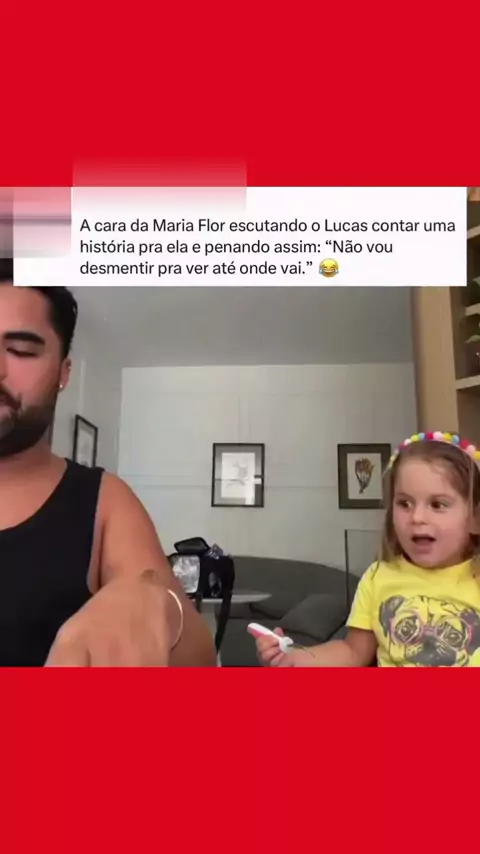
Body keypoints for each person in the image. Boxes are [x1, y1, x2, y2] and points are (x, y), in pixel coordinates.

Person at [0, 260, 216, 666]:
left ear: (63, 373)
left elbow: (199, 658)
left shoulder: (103, 500)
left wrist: (154, 605)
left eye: (21, 351)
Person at [251, 431, 480, 667]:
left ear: (475, 518)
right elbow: (353, 652)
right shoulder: (377, 577)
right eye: (404, 503)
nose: (417, 517)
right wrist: (292, 657)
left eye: (438, 504)